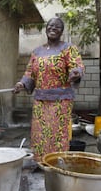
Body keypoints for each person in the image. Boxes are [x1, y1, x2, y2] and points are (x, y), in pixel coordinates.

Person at [14, 17, 85, 162]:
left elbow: (76, 65)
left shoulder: (68, 48)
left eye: (57, 26)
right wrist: (22, 84)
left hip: (61, 101)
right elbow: (30, 73)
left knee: (56, 134)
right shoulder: (37, 52)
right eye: (50, 25)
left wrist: (76, 72)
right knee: (39, 133)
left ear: (62, 31)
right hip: (40, 100)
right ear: (46, 28)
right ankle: (40, 162)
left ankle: (56, 164)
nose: (53, 28)